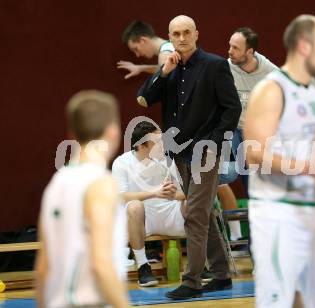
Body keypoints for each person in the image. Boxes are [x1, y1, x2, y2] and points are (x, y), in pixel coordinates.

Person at [137, 15, 242, 300]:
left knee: (194, 214)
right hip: (179, 152)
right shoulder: (168, 68)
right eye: (175, 34)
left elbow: (232, 109)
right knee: (204, 212)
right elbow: (143, 99)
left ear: (196, 34)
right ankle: (221, 275)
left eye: (186, 33)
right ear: (169, 37)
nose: (181, 39)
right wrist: (163, 71)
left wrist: (214, 142)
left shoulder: (216, 65)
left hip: (206, 152)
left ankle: (192, 281)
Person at [244, 15, 315, 307]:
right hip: (278, 213)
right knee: (278, 301)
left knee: (314, 300)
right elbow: (254, 154)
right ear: (304, 46)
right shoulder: (272, 89)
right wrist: (306, 166)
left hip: (314, 210)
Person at [35, 90, 129, 308]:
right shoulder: (100, 183)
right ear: (113, 131)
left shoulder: (55, 184)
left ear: (71, 134)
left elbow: (42, 268)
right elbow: (100, 263)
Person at [112, 120, 186, 287]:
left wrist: (175, 195)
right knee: (135, 205)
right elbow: (120, 196)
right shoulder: (122, 163)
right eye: (157, 140)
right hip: (142, 220)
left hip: (170, 213)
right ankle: (143, 267)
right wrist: (154, 193)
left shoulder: (167, 159)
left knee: (192, 202)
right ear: (142, 145)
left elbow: (184, 192)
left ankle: (200, 265)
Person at [227, 27, 278, 196]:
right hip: (235, 128)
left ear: (250, 51)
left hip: (258, 132)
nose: (230, 52)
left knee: (257, 175)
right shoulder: (226, 68)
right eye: (230, 46)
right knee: (239, 171)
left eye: (236, 48)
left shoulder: (271, 73)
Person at [117, 21, 174, 85]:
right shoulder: (170, 47)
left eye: (136, 49)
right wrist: (140, 68)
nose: (137, 55)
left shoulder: (165, 54)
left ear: (143, 40)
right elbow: (164, 68)